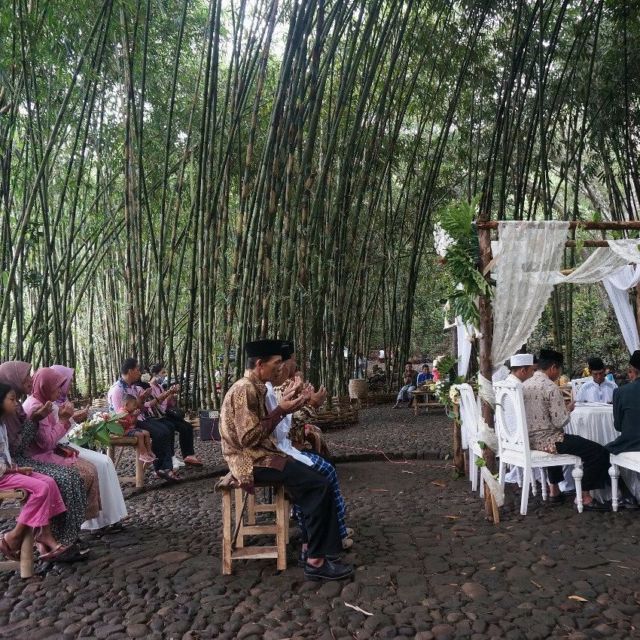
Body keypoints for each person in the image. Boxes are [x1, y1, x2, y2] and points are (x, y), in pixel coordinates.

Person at [220, 339, 353, 581]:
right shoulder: (245, 389)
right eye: (276, 363)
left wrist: (287, 408)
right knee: (317, 485)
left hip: (264, 454)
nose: (280, 368)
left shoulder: (256, 386)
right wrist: (282, 410)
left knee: (319, 478)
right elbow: (248, 437)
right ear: (260, 364)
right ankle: (316, 560)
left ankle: (316, 551)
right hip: (250, 461)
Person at [267, 342, 353, 561]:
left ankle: (332, 531)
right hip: (275, 454)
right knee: (322, 475)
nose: (297, 363)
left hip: (284, 449)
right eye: (293, 359)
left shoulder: (280, 385)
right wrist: (311, 404)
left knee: (326, 468)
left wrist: (309, 402)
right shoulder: (271, 388)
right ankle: (316, 543)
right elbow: (286, 422)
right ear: (282, 364)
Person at [0, 361, 88, 550]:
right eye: (26, 376)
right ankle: (52, 539)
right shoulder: (17, 410)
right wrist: (36, 419)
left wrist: (35, 419)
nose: (31, 379)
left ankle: (66, 537)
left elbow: (21, 443)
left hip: (19, 462)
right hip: (16, 464)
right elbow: (20, 448)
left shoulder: (17, 409)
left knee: (73, 477)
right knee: (62, 478)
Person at [522, 348, 611, 511]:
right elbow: (560, 421)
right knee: (598, 452)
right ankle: (584, 495)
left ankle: (554, 491)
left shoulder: (525, 384)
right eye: (559, 369)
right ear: (553, 368)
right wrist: (567, 409)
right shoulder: (550, 387)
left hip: (529, 440)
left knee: (561, 439)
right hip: (549, 441)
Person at [50, 365, 128, 533]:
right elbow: (51, 434)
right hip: (59, 447)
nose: (69, 385)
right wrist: (71, 420)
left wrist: (79, 422)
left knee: (105, 461)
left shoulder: (61, 401)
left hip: (67, 443)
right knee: (100, 463)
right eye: (65, 382)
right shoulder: (47, 405)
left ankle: (111, 517)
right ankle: (97, 522)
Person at [0, 382, 71, 561]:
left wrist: (16, 468)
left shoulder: (3, 423)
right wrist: (14, 469)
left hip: (9, 470)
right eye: (12, 399)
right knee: (41, 489)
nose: (17, 403)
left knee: (49, 481)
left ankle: (44, 533)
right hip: (3, 475)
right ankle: (13, 536)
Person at [23, 368, 101, 522]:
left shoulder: (42, 402)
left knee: (90, 469)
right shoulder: (36, 407)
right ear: (45, 386)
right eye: (57, 386)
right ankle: (65, 524)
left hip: (47, 452)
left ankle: (73, 523)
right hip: (38, 457)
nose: (60, 391)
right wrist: (64, 421)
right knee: (82, 475)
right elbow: (46, 443)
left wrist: (64, 419)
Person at [108, 358, 178, 481]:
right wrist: (140, 403)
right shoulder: (117, 390)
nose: (140, 373)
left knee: (166, 428)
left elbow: (143, 407)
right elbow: (121, 415)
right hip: (126, 425)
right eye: (137, 370)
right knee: (160, 432)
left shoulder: (134, 387)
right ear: (130, 371)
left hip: (140, 418)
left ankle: (165, 468)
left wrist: (142, 399)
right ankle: (162, 468)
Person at [149, 363, 202, 466]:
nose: (164, 375)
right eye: (162, 373)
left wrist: (172, 395)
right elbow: (157, 406)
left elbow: (167, 404)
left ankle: (189, 455)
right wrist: (169, 393)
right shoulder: (149, 388)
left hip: (166, 413)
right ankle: (171, 457)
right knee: (171, 427)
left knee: (187, 426)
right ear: (154, 374)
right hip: (159, 417)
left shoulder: (160, 386)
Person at [606, 351, 640, 455]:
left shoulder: (621, 392)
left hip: (631, 444)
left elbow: (618, 426)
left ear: (632, 371)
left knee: (600, 453)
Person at [118, 395, 156, 464]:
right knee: (140, 435)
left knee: (147, 433)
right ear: (126, 405)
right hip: (125, 431)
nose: (136, 407)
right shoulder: (123, 413)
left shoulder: (129, 412)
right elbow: (130, 423)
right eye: (134, 405)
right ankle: (143, 453)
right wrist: (135, 415)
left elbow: (134, 423)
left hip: (131, 429)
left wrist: (135, 415)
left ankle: (149, 451)